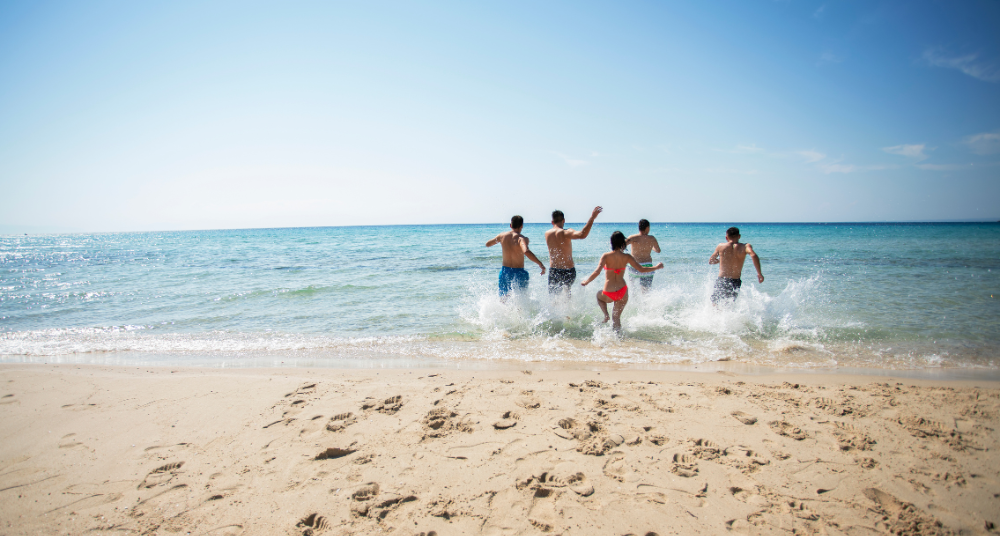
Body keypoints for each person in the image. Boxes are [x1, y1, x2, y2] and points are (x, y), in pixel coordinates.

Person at [581, 231, 663, 333]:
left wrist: (587, 281)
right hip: (622, 291)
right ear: (622, 243)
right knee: (616, 318)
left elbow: (597, 272)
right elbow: (641, 269)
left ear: (612, 242)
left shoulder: (606, 256)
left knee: (599, 295)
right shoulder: (627, 257)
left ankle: (606, 315)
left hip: (608, 291)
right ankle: (618, 339)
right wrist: (656, 267)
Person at [544, 206, 602, 294]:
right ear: (563, 220)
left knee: (554, 298)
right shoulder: (566, 232)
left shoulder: (547, 233)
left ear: (552, 222)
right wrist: (592, 217)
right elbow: (582, 234)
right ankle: (569, 308)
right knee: (567, 295)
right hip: (568, 270)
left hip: (554, 270)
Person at [486, 215, 546, 297]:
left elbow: (488, 244)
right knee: (520, 300)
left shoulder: (502, 236)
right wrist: (540, 264)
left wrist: (499, 239)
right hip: (519, 272)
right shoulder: (521, 239)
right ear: (522, 226)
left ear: (510, 225)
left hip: (504, 272)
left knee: (503, 299)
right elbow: (526, 251)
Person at [708, 226, 764, 304]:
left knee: (715, 303)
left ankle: (714, 316)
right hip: (735, 281)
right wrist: (759, 273)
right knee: (729, 305)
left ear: (726, 237)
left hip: (722, 280)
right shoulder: (745, 247)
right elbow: (753, 255)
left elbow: (711, 261)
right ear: (739, 236)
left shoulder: (721, 246)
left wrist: (719, 261)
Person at [625, 219, 661, 292]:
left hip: (635, 267)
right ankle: (645, 303)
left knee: (632, 287)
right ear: (647, 228)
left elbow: (621, 246)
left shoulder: (633, 238)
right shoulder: (652, 238)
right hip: (648, 268)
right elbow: (658, 250)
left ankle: (634, 300)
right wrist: (651, 247)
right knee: (646, 292)